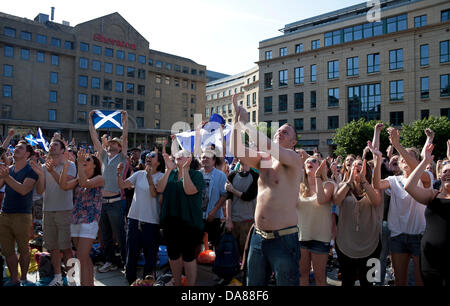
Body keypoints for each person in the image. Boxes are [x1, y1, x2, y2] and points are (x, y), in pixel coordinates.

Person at [231, 94, 303, 286]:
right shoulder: (264, 159)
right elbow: (237, 151)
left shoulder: (294, 160)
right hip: (258, 237)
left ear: (293, 143)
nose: (280, 133)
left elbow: (268, 144)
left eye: (286, 132)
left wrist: (246, 124)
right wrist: (237, 121)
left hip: (284, 239)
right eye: (279, 130)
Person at [372, 127, 432, 286]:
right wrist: (378, 160)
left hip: (419, 236)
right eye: (402, 157)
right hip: (397, 236)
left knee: (420, 281)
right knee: (400, 281)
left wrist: (398, 146)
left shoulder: (426, 178)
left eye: (410, 157)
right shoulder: (393, 180)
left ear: (418, 162)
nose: (405, 159)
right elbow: (377, 184)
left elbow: (417, 169)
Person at [30, 139, 77, 286]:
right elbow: (39, 190)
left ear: (63, 150)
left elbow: (65, 186)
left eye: (55, 145)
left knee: (67, 248)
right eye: (50, 145)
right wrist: (41, 174)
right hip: (48, 210)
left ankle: (71, 279)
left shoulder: (70, 166)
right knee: (53, 247)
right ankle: (57, 277)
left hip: (65, 211)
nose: (51, 147)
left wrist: (51, 171)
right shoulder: (43, 167)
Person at [333, 154, 383, 286]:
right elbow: (337, 201)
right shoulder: (343, 185)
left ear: (366, 169)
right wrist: (349, 182)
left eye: (360, 164)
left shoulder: (374, 185)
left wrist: (364, 182)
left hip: (371, 243)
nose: (357, 166)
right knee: (347, 281)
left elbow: (376, 201)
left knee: (368, 282)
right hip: (346, 243)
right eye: (354, 164)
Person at [404, 142, 450, 286]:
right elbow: (409, 186)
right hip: (430, 259)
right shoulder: (433, 195)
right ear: (439, 175)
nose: (448, 174)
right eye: (445, 171)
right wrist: (424, 162)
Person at [89, 110, 128, 272]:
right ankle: (110, 261)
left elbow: (125, 137)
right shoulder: (103, 156)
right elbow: (94, 138)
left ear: (119, 148)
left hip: (116, 203)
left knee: (120, 235)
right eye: (110, 143)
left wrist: (124, 122)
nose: (111, 145)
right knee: (105, 236)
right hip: (102, 203)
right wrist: (91, 122)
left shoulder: (122, 158)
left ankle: (127, 262)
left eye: (114, 144)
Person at [117, 151, 165, 285]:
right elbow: (122, 185)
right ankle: (130, 280)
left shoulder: (162, 176)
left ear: (159, 162)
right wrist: (119, 173)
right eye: (148, 156)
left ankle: (148, 281)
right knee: (131, 251)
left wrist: (150, 178)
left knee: (150, 255)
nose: (148, 157)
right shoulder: (138, 174)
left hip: (151, 221)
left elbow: (154, 195)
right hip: (134, 218)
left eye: (153, 156)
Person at [157, 150, 204, 286]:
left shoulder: (196, 175)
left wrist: (185, 171)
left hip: (189, 222)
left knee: (189, 256)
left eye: (181, 155)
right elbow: (159, 188)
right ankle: (177, 283)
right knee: (173, 254)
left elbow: (189, 190)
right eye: (176, 156)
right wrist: (168, 171)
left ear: (189, 159)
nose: (177, 157)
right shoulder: (170, 174)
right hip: (170, 220)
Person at [60, 150, 104, 286]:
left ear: (95, 165)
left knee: (81, 256)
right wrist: (65, 168)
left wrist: (78, 163)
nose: (84, 161)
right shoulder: (80, 178)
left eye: (88, 160)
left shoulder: (100, 178)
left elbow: (85, 184)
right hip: (76, 220)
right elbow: (64, 186)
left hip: (90, 221)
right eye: (83, 160)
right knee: (84, 257)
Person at [0, 140, 38, 286]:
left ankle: (23, 279)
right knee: (7, 251)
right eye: (15, 147)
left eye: (20, 148)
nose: (16, 149)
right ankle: (14, 279)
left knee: (23, 249)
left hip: (22, 215)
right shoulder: (8, 169)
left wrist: (6, 176)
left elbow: (23, 190)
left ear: (27, 154)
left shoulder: (31, 170)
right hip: (5, 214)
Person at [297, 157, 335, 286]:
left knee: (320, 278)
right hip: (301, 237)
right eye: (307, 161)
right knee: (302, 275)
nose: (309, 162)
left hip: (320, 237)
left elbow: (320, 200)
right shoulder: (298, 185)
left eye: (314, 161)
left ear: (321, 166)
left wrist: (318, 178)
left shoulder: (328, 184)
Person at [225, 160, 259, 259]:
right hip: (234, 221)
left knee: (246, 253)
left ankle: (245, 273)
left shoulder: (256, 176)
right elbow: (228, 198)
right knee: (233, 253)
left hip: (249, 221)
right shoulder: (232, 175)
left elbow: (248, 196)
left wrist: (232, 190)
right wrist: (229, 220)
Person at [200, 149, 228, 250]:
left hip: (214, 215)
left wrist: (213, 211)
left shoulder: (221, 175)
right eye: (203, 157)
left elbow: (224, 195)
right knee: (197, 242)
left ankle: (216, 264)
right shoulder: (197, 174)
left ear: (214, 161)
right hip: (198, 215)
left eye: (207, 157)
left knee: (215, 242)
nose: (204, 159)